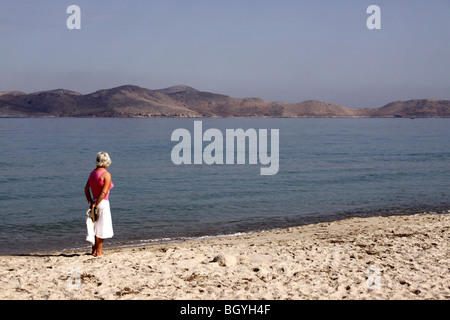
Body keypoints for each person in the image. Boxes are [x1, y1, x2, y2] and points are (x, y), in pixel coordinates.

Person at [84, 152, 114, 256]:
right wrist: (97, 203)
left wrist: (90, 201)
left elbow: (86, 188)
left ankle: (94, 250)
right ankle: (99, 251)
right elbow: (104, 192)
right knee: (102, 227)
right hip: (102, 202)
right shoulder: (106, 174)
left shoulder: (92, 173)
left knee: (94, 227)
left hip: (94, 201)